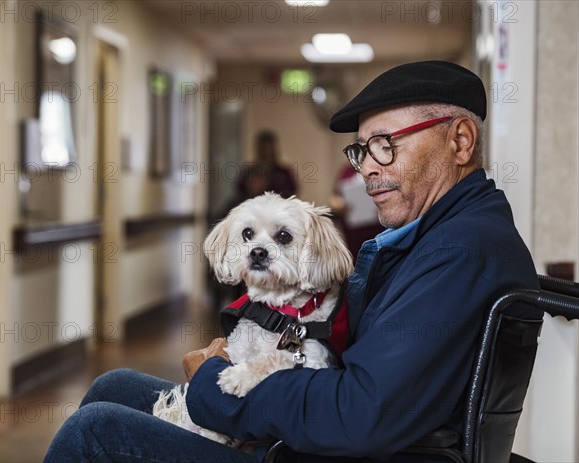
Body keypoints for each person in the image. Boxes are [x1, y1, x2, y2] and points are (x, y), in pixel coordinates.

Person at [44, 61, 540, 462]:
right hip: (334, 438)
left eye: (386, 145)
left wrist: (214, 390)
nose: (367, 167)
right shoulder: (443, 235)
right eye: (363, 150)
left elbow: (356, 414)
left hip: (339, 451)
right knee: (116, 386)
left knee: (97, 431)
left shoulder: (458, 251)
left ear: (459, 141)